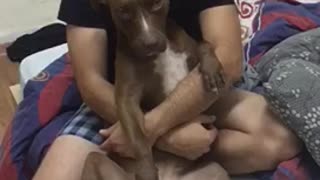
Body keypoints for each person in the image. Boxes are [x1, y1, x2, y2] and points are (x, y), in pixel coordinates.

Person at [33, 0, 302, 179]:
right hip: (121, 96)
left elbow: (228, 62)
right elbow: (91, 84)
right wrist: (164, 138)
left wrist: (152, 130)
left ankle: (172, 166)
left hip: (197, 83)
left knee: (280, 138)